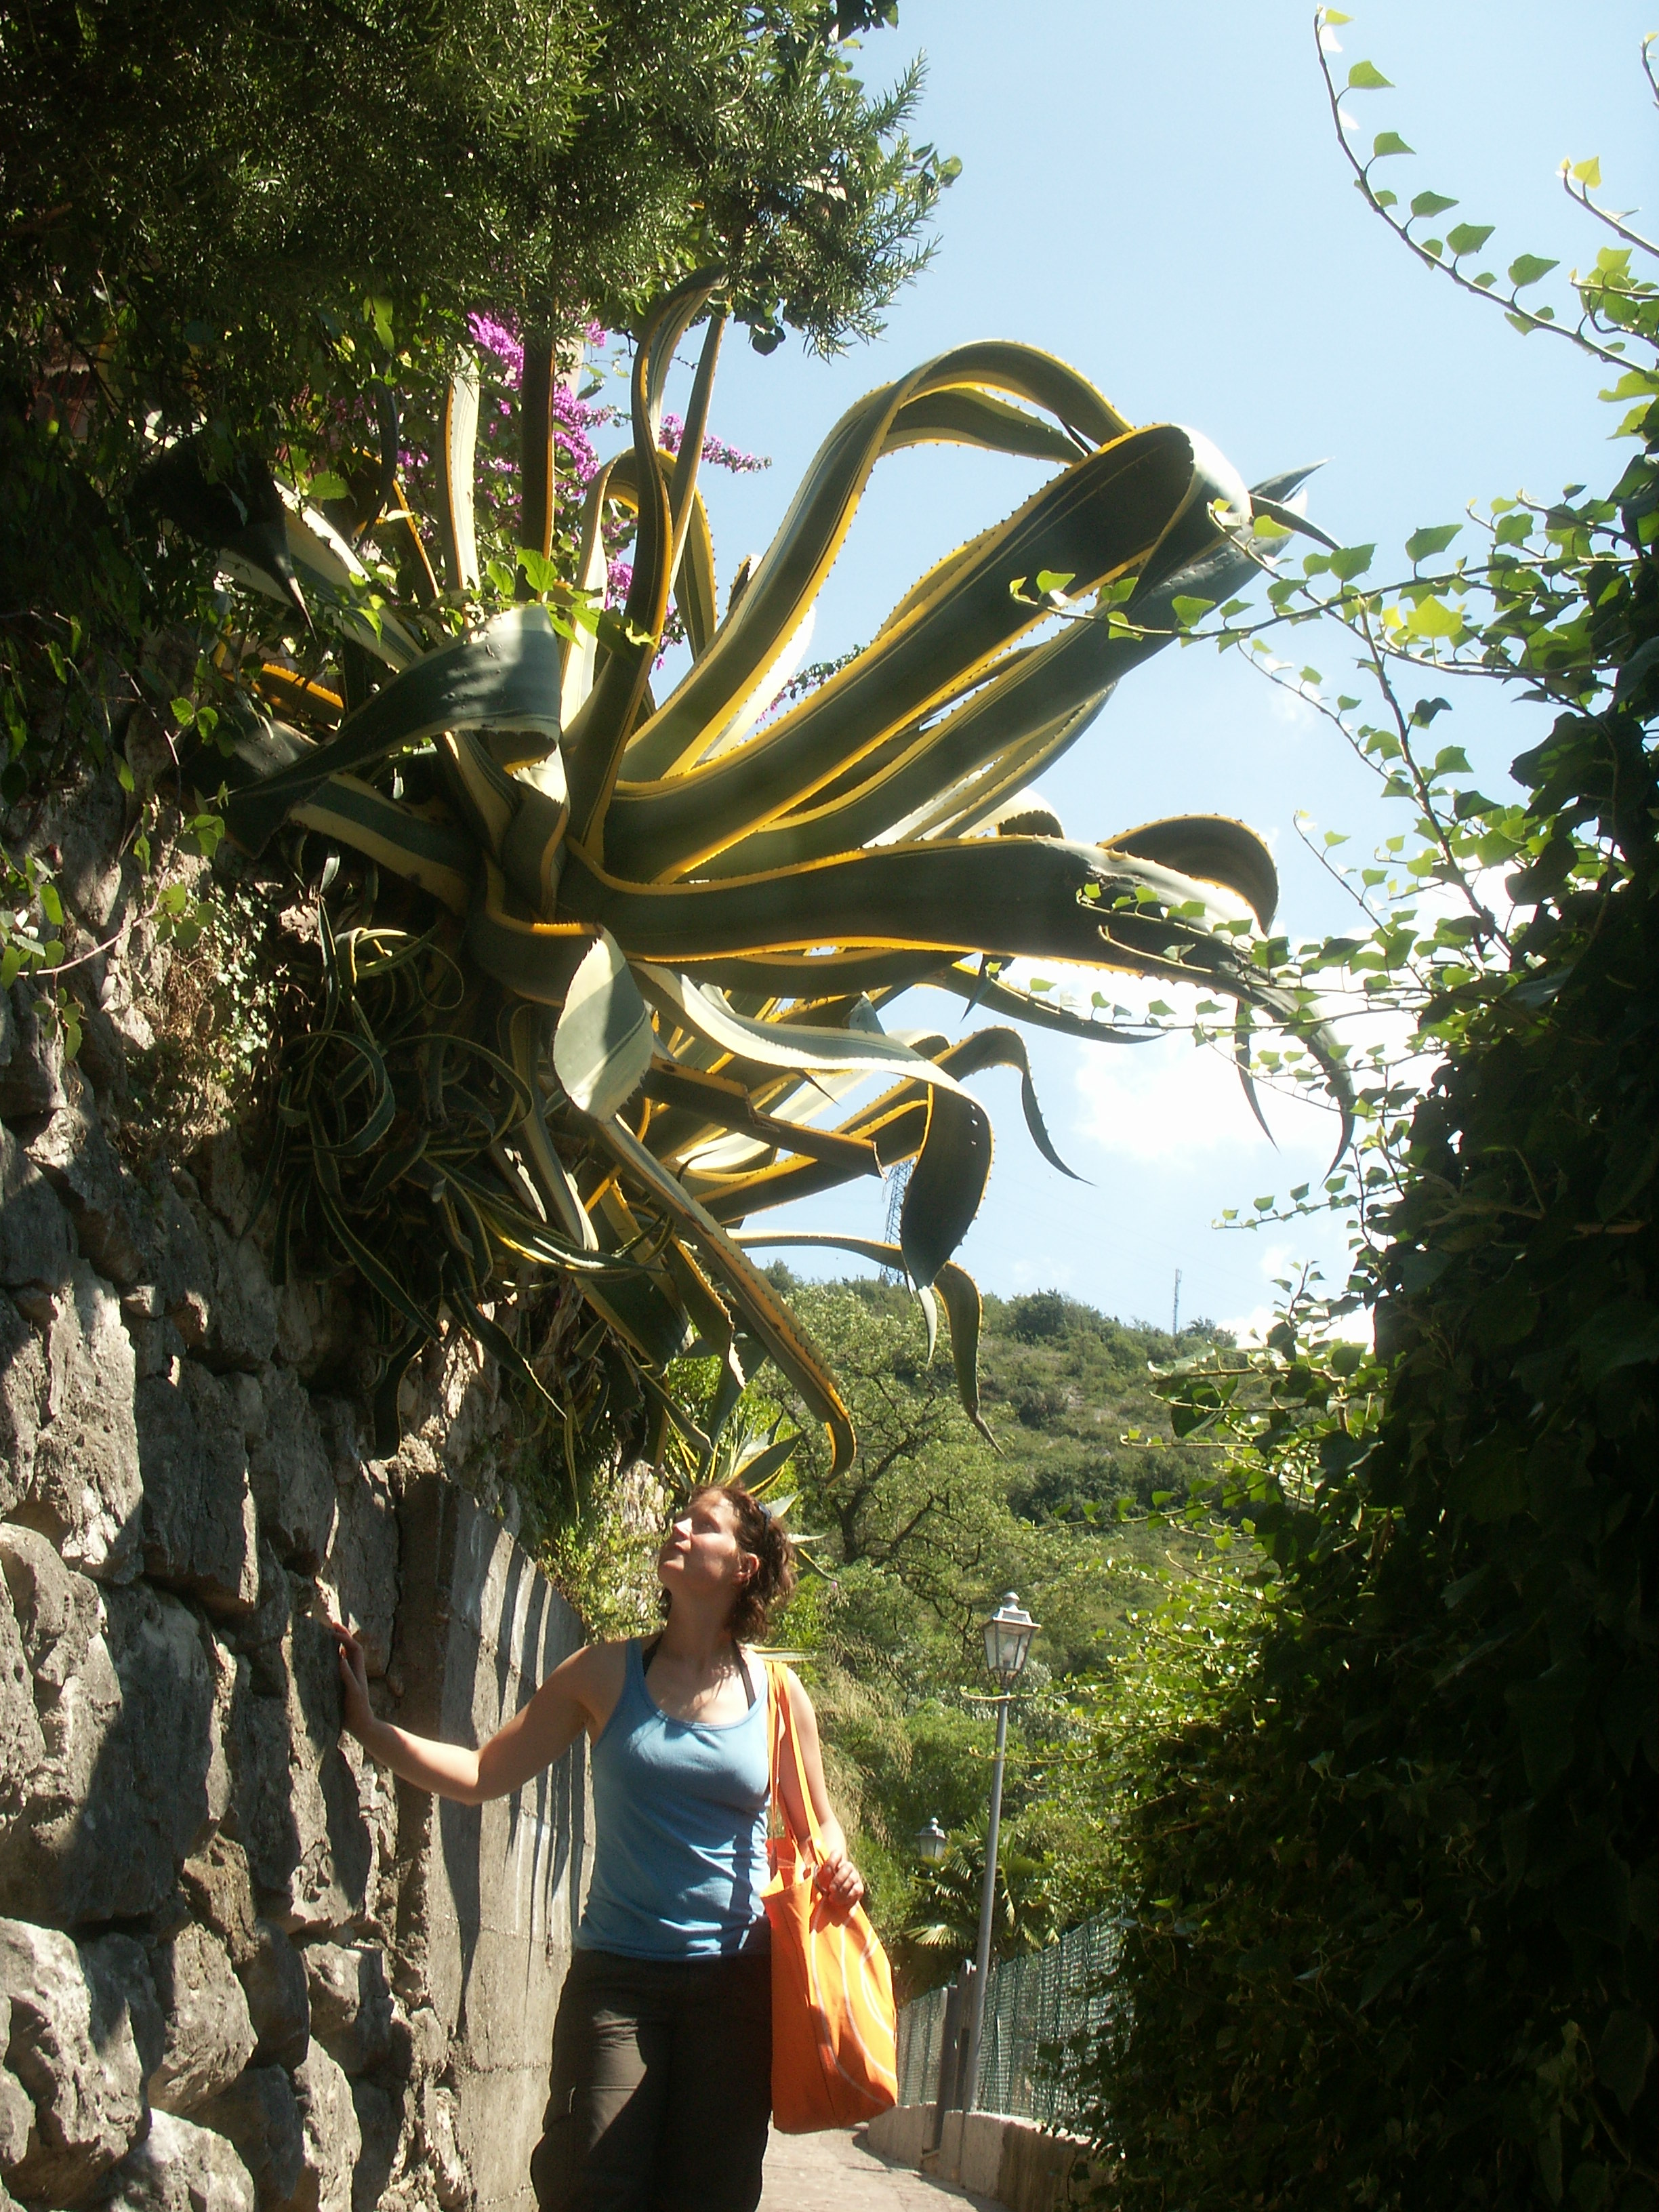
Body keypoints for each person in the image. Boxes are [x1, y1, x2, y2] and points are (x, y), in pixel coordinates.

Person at [332, 1478, 865, 2212]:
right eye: (679, 1517)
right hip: (619, 1980)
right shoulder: (603, 1673)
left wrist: (838, 1863)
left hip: (734, 1990)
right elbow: (483, 1774)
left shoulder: (775, 1694)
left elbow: (819, 1825)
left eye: (704, 1525)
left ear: (743, 1568)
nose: (679, 1528)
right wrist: (369, 1729)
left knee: (711, 2197)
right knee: (590, 2184)